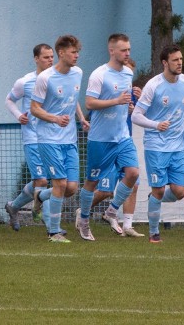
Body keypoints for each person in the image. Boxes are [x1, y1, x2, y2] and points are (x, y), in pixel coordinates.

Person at [75, 33, 140, 241]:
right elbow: (90, 104)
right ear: (112, 51)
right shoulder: (99, 74)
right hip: (101, 138)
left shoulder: (128, 73)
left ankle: (111, 211)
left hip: (122, 136)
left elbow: (124, 101)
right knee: (91, 183)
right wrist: (116, 101)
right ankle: (83, 220)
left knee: (132, 173)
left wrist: (128, 104)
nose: (127, 53)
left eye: (128, 49)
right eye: (123, 50)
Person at [132, 44, 184, 243]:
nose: (179, 63)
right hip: (156, 146)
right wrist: (156, 124)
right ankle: (154, 232)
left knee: (180, 192)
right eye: (175, 60)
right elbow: (136, 116)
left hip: (178, 145)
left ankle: (154, 200)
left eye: (181, 59)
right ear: (164, 63)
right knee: (159, 189)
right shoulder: (153, 86)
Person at [30, 35, 89, 243]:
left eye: (77, 51)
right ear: (61, 53)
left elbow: (73, 100)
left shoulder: (78, 73)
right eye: (73, 52)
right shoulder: (45, 78)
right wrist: (54, 118)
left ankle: (40, 196)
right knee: (60, 184)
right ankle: (53, 231)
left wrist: (81, 119)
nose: (77, 55)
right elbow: (34, 109)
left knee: (71, 188)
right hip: (48, 139)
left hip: (69, 139)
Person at [90, 58, 144, 237]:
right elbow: (93, 109)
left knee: (133, 182)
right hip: (107, 143)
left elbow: (143, 114)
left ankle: (127, 225)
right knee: (105, 190)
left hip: (125, 142)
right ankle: (82, 213)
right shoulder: (106, 86)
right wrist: (117, 102)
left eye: (129, 73)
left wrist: (138, 101)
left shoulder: (133, 93)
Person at [4, 44, 55, 233]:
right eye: (46, 57)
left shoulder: (57, 80)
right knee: (42, 181)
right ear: (36, 59)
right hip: (32, 137)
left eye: (52, 57)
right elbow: (9, 100)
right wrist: (18, 115)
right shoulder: (25, 82)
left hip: (52, 138)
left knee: (42, 181)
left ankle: (14, 206)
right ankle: (52, 228)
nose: (50, 60)